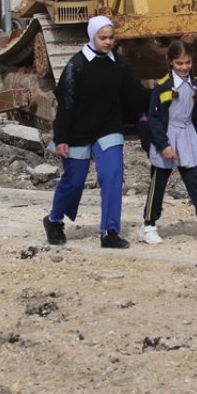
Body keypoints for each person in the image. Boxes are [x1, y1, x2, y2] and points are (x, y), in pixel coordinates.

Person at [43, 15, 146, 249]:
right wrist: (61, 138)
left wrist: (162, 96)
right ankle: (54, 221)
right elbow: (66, 104)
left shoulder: (119, 64)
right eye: (103, 38)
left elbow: (134, 95)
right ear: (92, 36)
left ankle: (110, 231)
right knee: (74, 181)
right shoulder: (76, 66)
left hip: (108, 128)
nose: (108, 42)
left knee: (112, 175)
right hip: (78, 131)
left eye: (111, 37)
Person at [139, 40, 197, 244]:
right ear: (170, 62)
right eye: (179, 63)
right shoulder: (162, 87)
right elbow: (153, 119)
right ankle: (149, 225)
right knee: (158, 183)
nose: (184, 67)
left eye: (187, 62)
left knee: (196, 181)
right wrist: (163, 144)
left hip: (188, 136)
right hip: (167, 137)